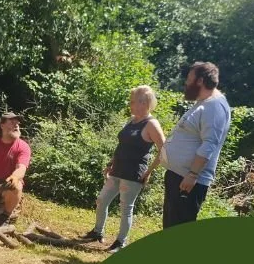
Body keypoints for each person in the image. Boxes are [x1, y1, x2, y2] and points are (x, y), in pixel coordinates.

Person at [82, 86, 165, 252]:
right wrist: (110, 164)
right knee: (101, 200)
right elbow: (122, 145)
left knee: (126, 208)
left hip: (133, 174)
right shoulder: (131, 121)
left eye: (133, 102)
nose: (130, 105)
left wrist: (149, 171)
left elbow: (163, 149)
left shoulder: (151, 124)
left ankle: (121, 243)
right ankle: (97, 232)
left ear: (144, 103)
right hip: (117, 169)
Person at [161, 61, 232, 228]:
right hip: (179, 177)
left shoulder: (215, 106)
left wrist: (193, 174)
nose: (186, 83)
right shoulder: (204, 103)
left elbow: (209, 144)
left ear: (200, 80)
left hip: (188, 181)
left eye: (189, 78)